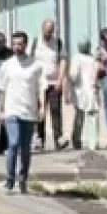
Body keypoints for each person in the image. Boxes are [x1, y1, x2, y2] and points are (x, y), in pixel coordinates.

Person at [0, 31, 45, 194]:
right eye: (14, 44)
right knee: (13, 143)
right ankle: (10, 179)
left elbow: (41, 88)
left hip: (29, 111)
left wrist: (42, 108)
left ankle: (23, 178)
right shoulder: (7, 66)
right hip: (12, 110)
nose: (17, 47)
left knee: (25, 148)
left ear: (25, 45)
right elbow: (2, 89)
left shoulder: (36, 65)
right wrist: (1, 109)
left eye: (20, 44)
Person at [30, 18, 67, 151]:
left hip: (54, 82)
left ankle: (58, 139)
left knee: (56, 110)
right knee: (40, 111)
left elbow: (63, 60)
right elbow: (30, 60)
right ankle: (39, 139)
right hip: (39, 82)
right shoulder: (35, 42)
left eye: (51, 31)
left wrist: (60, 79)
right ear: (42, 29)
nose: (48, 33)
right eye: (46, 31)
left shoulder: (57, 42)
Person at [67, 39, 99, 151]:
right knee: (92, 117)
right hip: (92, 90)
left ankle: (76, 139)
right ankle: (93, 143)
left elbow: (73, 75)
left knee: (79, 116)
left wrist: (71, 84)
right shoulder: (93, 59)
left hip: (80, 91)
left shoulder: (76, 58)